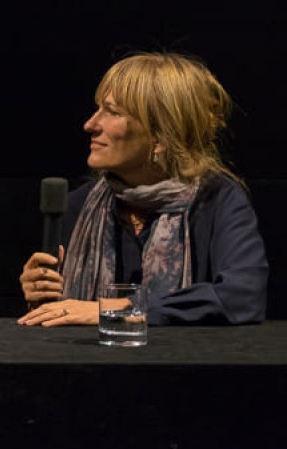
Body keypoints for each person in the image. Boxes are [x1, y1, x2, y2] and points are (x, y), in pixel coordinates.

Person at [17, 52, 268, 326]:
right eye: (97, 109)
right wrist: (42, 296)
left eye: (112, 112)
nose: (90, 124)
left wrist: (118, 308)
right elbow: (68, 314)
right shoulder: (80, 205)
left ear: (160, 136)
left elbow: (242, 297)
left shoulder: (217, 199)